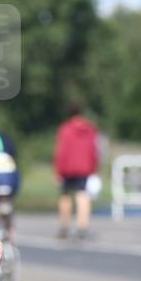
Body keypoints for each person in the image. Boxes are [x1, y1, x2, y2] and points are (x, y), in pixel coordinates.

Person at [53, 101, 99, 240]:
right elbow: (94, 150)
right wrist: (93, 167)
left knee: (65, 196)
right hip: (84, 167)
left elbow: (62, 151)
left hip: (67, 168)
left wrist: (58, 170)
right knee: (82, 196)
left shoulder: (65, 129)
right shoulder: (90, 129)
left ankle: (64, 227)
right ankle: (82, 227)